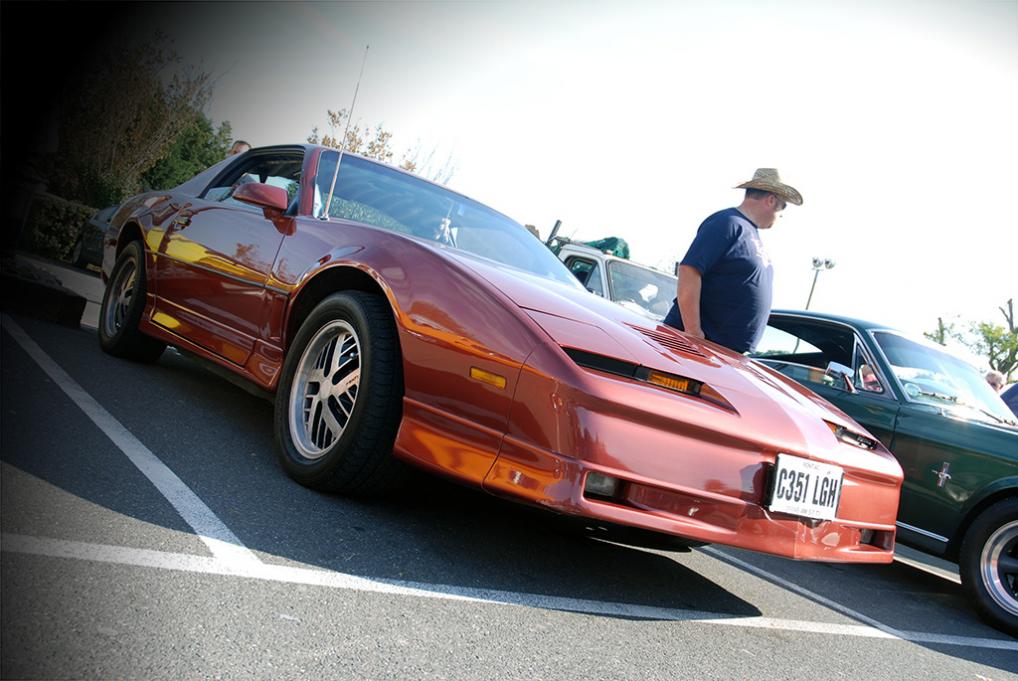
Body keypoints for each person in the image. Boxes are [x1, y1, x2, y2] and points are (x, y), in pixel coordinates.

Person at [663, 168, 802, 354]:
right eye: (783, 207)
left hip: (720, 351)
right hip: (694, 348)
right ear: (771, 200)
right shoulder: (727, 223)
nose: (782, 215)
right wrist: (693, 332)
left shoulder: (749, 232)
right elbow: (689, 269)